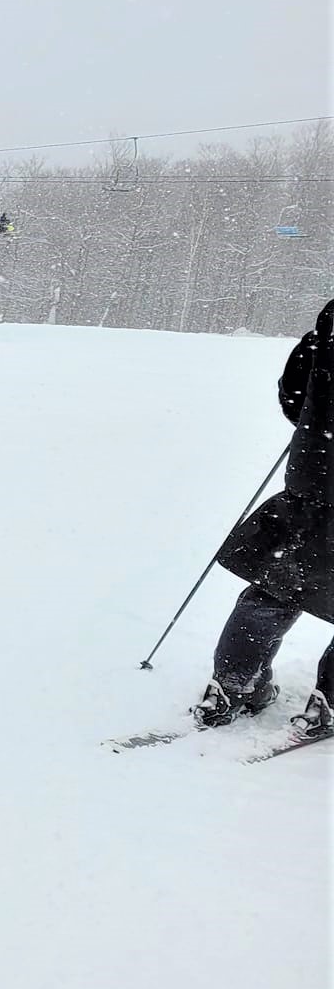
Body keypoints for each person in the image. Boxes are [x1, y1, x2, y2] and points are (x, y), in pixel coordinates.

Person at [192, 299, 333, 741]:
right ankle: (325, 704)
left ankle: (232, 687)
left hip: (314, 474)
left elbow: (293, 394)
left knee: (279, 583)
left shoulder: (328, 326)